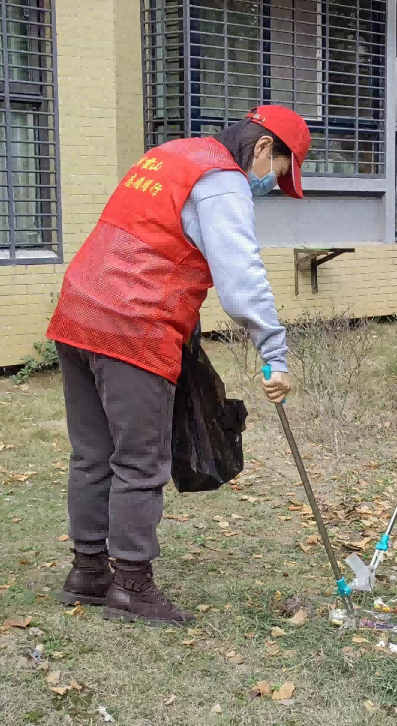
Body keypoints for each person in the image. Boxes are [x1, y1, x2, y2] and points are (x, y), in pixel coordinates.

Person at [45, 106, 308, 625]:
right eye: (277, 172)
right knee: (140, 462)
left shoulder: (169, 155)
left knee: (92, 454)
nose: (271, 186)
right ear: (261, 149)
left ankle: (88, 572)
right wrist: (273, 351)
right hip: (134, 325)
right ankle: (132, 587)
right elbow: (240, 277)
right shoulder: (223, 182)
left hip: (77, 313)